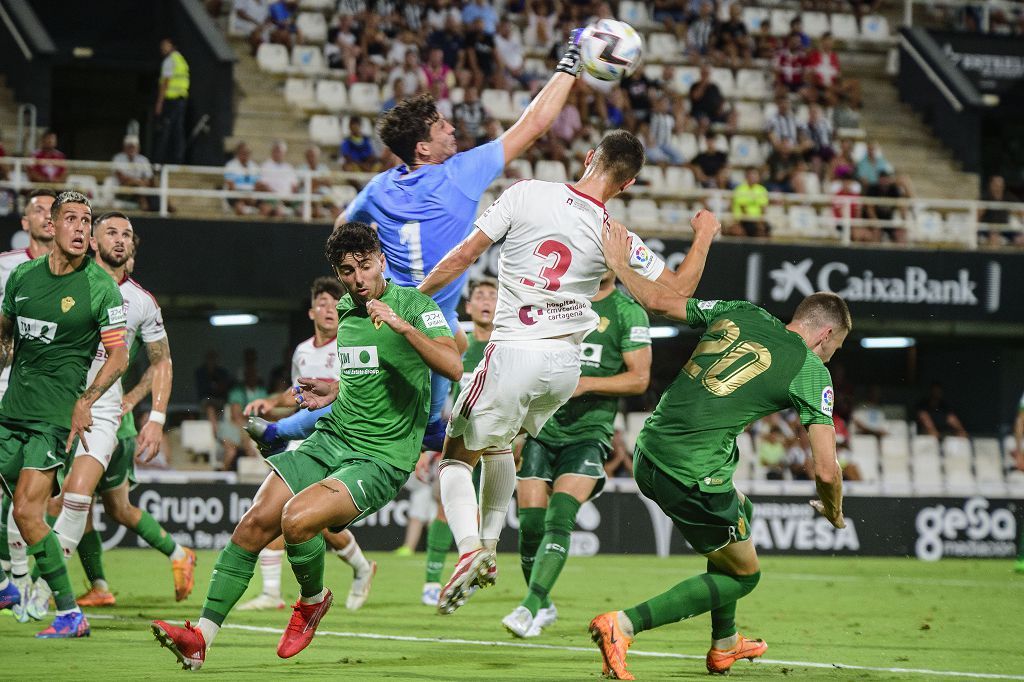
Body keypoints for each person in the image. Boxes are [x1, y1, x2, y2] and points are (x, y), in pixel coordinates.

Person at [417, 130, 713, 615]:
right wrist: (703, 235)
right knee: (498, 444)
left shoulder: (527, 191)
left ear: (589, 156)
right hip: (563, 367)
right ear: (629, 183)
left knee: (454, 457)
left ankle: (469, 546)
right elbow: (676, 295)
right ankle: (489, 546)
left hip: (515, 349)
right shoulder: (615, 234)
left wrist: (417, 295)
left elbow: (465, 255)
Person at [248, 33, 587, 456]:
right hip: (425, 317)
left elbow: (340, 228)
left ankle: (280, 434)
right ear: (424, 147)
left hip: (390, 308)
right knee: (420, 414)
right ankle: (284, 436)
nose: (452, 128)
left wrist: (369, 268)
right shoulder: (459, 175)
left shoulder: (379, 187)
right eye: (442, 125)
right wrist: (570, 62)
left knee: (411, 377)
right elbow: (535, 123)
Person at [150, 222, 462, 669]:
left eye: (365, 266)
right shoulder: (350, 318)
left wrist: (401, 326)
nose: (357, 278)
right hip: (333, 437)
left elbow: (451, 365)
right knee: (254, 523)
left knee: (296, 521)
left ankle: (312, 602)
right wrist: (334, 389)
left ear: (382, 261)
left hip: (381, 458)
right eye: (347, 270)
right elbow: (369, 375)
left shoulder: (417, 306)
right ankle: (201, 637)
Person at [589, 222, 849, 678]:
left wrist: (616, 264)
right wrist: (834, 512)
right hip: (690, 473)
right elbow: (826, 471)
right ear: (825, 334)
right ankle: (622, 625)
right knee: (744, 575)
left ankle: (725, 644)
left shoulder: (740, 310)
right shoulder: (810, 369)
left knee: (741, 512)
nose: (832, 357)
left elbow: (655, 300)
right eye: (837, 348)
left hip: (649, 449)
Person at [42, 212, 192, 611]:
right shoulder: (64, 283)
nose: (121, 240)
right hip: (55, 408)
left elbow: (160, 362)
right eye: (112, 232)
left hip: (107, 416)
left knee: (82, 502)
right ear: (92, 241)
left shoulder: (141, 302)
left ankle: (47, 590)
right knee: (61, 502)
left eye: (127, 234)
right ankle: (88, 583)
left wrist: (153, 416)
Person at [0, 191, 128, 639]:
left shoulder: (100, 286)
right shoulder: (23, 277)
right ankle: (16, 584)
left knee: (26, 511)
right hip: (10, 412)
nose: (79, 227)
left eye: (86, 220)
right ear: (50, 227)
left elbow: (118, 357)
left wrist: (86, 400)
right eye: (70, 218)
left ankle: (69, 612)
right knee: (15, 511)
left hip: (53, 418)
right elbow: (4, 337)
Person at [501, 270, 655, 638]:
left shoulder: (627, 312)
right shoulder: (559, 302)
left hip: (589, 434)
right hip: (542, 430)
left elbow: (638, 379)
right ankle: (544, 606)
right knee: (531, 527)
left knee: (560, 516)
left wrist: (585, 384)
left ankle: (530, 606)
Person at [239, 277, 377, 612]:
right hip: (301, 440)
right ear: (312, 311)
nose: (330, 310)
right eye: (324, 304)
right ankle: (274, 592)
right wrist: (270, 404)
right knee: (282, 514)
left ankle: (359, 568)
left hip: (336, 440)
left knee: (313, 521)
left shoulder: (351, 339)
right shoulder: (302, 351)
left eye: (335, 303)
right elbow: (298, 397)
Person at [421, 279, 495, 606]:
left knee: (486, 512)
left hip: (496, 441)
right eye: (479, 295)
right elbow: (441, 391)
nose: (485, 301)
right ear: (468, 306)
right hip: (460, 435)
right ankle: (430, 580)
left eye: (493, 296)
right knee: (444, 506)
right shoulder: (459, 345)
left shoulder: (505, 345)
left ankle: (477, 569)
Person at [0, 189, 56, 606]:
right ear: (25, 224)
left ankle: (16, 578)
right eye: (38, 209)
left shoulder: (78, 276)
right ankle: (11, 578)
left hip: (45, 397)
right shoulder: (5, 267)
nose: (47, 215)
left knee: (25, 493)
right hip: (5, 383)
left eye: (53, 209)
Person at [153, 38, 190, 165]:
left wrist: (159, 103)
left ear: (172, 46)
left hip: (171, 101)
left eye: (165, 46)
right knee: (177, 130)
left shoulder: (170, 61)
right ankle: (178, 159)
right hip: (181, 100)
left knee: (166, 129)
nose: (163, 49)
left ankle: (159, 160)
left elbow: (166, 83)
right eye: (161, 46)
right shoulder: (181, 60)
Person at [111, 135, 156, 211]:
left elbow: (149, 179)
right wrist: (137, 182)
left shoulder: (143, 160)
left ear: (138, 148)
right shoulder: (117, 158)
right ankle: (146, 209)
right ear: (124, 147)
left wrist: (140, 183)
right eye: (129, 146)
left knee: (154, 186)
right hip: (122, 190)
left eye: (133, 147)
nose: (131, 149)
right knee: (138, 187)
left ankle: (166, 207)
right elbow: (122, 178)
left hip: (141, 189)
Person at [730, 168, 770, 238]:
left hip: (758, 219)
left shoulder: (762, 189)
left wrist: (760, 221)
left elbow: (763, 208)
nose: (754, 177)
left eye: (755, 175)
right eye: (752, 175)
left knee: (767, 228)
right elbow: (743, 208)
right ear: (746, 176)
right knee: (752, 228)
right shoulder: (740, 189)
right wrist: (753, 220)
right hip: (744, 219)